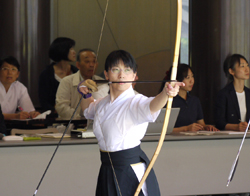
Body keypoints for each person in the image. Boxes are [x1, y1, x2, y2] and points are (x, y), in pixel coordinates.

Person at [78, 50, 184, 196]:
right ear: (107, 74)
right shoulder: (103, 103)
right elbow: (87, 109)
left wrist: (166, 93)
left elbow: (152, 105)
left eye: (127, 70)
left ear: (134, 76)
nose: (122, 75)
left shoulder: (136, 101)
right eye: (116, 69)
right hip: (107, 169)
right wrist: (86, 93)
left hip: (129, 171)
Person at [55, 48, 109, 119]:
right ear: (78, 65)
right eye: (87, 61)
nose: (91, 65)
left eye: (94, 61)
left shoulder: (102, 82)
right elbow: (61, 107)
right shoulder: (66, 81)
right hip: (73, 124)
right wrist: (79, 118)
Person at [165, 64, 218, 132]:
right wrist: (186, 129)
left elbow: (201, 124)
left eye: (192, 76)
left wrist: (206, 127)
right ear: (177, 80)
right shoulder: (168, 101)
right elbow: (162, 130)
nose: (192, 81)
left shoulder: (195, 101)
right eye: (188, 77)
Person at [38, 37, 78, 114]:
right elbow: (44, 100)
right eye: (71, 49)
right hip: (54, 116)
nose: (74, 52)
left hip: (76, 115)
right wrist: (56, 110)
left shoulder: (76, 71)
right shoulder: (47, 74)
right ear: (63, 50)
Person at [215, 54, 250, 131]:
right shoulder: (223, 94)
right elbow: (219, 122)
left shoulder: (248, 93)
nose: (247, 69)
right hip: (230, 139)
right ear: (231, 71)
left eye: (247, 65)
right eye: (242, 66)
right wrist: (237, 127)